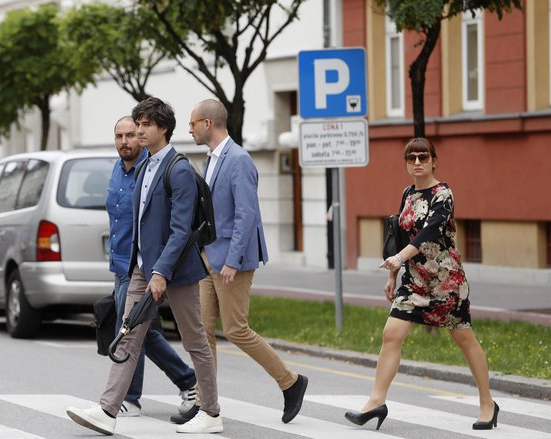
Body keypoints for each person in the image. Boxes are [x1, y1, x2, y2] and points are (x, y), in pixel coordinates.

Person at [67, 98, 222, 435]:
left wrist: (160, 272)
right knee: (127, 336)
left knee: (195, 340)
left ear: (163, 128)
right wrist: (141, 267)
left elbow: (181, 231)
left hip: (176, 271)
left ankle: (210, 412)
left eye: (145, 124)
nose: (138, 130)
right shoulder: (143, 166)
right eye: (137, 123)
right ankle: (108, 410)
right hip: (141, 268)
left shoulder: (177, 169)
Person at [344, 137, 499, 431]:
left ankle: (487, 403)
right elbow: (399, 234)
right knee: (391, 334)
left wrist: (400, 258)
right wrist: (393, 274)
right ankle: (376, 401)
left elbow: (430, 231)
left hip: (445, 282)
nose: (417, 162)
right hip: (414, 282)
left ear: (434, 161)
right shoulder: (407, 194)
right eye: (411, 158)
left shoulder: (443, 194)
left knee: (464, 340)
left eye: (423, 157)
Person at [173, 99, 307, 425]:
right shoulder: (212, 159)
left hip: (233, 260)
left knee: (236, 329)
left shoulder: (239, 160)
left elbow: (247, 215)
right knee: (202, 332)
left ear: (208, 123)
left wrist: (232, 260)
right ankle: (206, 403)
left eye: (192, 123)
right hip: (208, 258)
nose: (189, 129)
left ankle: (290, 382)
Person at [103, 116, 197, 417]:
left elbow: (172, 225)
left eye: (131, 135)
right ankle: (185, 380)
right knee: (137, 328)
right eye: (119, 136)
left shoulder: (151, 171)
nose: (125, 141)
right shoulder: (117, 171)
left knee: (131, 328)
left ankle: (129, 398)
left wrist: (159, 269)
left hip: (145, 267)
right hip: (121, 264)